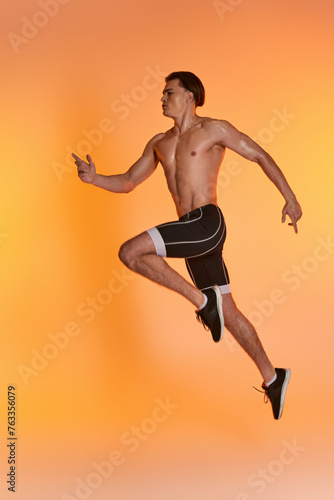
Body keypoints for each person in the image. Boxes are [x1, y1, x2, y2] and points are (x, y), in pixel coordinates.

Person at [73, 71, 302, 420]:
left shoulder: (213, 129)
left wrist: (289, 197)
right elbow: (130, 181)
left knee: (131, 252)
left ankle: (201, 302)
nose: (162, 98)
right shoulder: (159, 143)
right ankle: (273, 377)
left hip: (207, 223)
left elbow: (259, 155)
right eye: (162, 93)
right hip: (188, 230)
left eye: (169, 92)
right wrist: (95, 179)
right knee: (228, 311)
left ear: (190, 96)